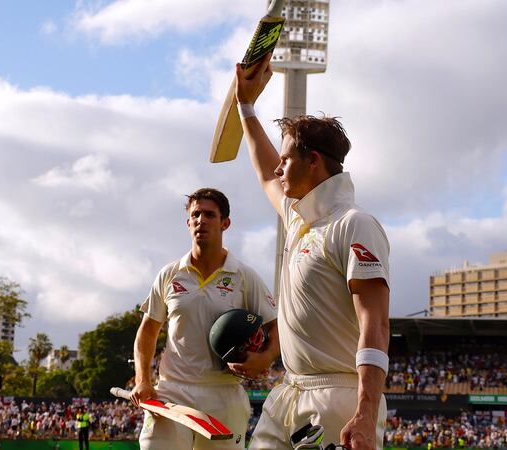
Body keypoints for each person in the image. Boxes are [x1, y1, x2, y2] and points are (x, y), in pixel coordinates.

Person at [232, 54, 391, 450]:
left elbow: (376, 323)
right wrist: (246, 106)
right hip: (288, 392)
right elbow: (263, 167)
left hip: (338, 396)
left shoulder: (354, 224)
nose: (279, 170)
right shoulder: (300, 220)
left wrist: (366, 412)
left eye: (286, 160)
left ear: (314, 161)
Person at [130, 188, 279, 450]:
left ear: (225, 223)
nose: (201, 220)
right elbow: (148, 330)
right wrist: (143, 379)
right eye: (195, 215)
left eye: (210, 215)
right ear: (188, 223)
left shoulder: (244, 276)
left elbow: (276, 326)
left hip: (223, 394)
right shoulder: (170, 274)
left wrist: (265, 358)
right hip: (172, 392)